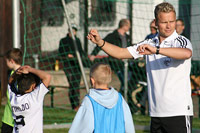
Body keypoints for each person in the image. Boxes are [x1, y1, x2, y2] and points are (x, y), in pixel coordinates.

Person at [87, 2, 193, 132]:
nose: (169, 26)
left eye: (171, 21)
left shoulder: (181, 41)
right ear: (155, 22)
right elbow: (121, 53)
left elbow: (186, 53)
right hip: (156, 113)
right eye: (164, 22)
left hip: (179, 112)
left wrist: (156, 50)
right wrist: (100, 42)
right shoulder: (148, 43)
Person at [69, 62, 135, 133]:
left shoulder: (90, 100)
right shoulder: (120, 98)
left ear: (92, 80)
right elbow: (128, 124)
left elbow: (83, 126)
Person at [89, 19, 132, 95]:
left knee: (128, 81)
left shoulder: (127, 37)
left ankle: (122, 96)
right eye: (129, 25)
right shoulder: (112, 36)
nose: (130, 27)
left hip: (126, 62)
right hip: (117, 62)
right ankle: (119, 96)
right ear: (124, 26)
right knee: (124, 81)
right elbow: (101, 44)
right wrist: (93, 54)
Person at [8, 65, 51, 133]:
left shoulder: (14, 97)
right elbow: (47, 77)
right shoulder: (34, 97)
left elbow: (10, 82)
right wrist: (29, 69)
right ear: (33, 86)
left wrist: (16, 72)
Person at [58, 25, 88, 111]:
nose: (73, 33)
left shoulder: (77, 40)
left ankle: (77, 104)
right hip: (68, 65)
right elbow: (61, 51)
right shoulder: (63, 41)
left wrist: (83, 57)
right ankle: (73, 105)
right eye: (71, 31)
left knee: (76, 85)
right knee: (72, 84)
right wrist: (68, 55)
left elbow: (80, 51)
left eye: (74, 31)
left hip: (77, 65)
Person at [1, 48, 22, 133]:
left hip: (17, 118)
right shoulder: (11, 73)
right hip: (8, 117)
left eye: (7, 61)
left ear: (11, 61)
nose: (6, 64)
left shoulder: (22, 75)